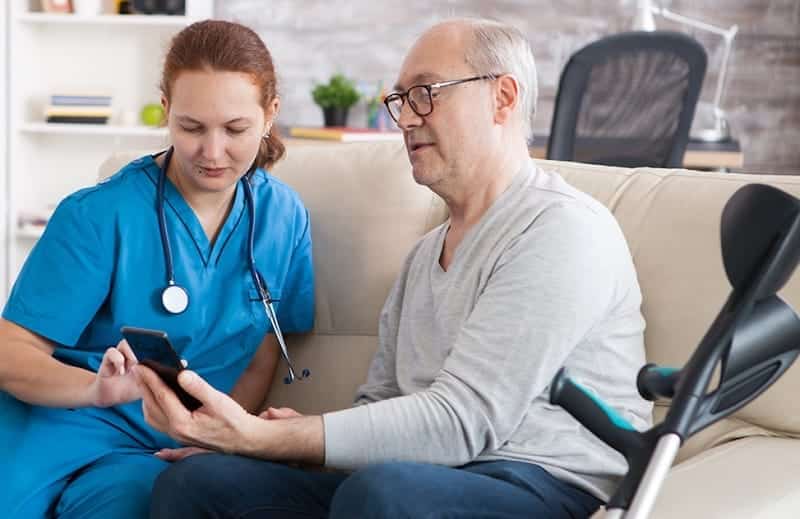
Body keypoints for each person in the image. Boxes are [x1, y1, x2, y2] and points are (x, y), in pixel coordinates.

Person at [144, 18, 652, 518]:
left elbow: (463, 421)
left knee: (383, 494)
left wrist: (270, 436)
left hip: (541, 481)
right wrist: (288, 443)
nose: (406, 118)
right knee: (198, 483)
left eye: (426, 93)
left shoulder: (560, 230)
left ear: (502, 98)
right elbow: (382, 404)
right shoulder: (424, 258)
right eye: (401, 100)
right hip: (419, 478)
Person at [0, 20, 313, 518]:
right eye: (191, 127)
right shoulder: (101, 214)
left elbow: (261, 354)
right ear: (166, 110)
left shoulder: (284, 218)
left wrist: (224, 435)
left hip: (159, 451)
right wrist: (95, 389)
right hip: (58, 422)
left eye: (235, 129)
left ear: (270, 114)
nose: (212, 152)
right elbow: (10, 352)